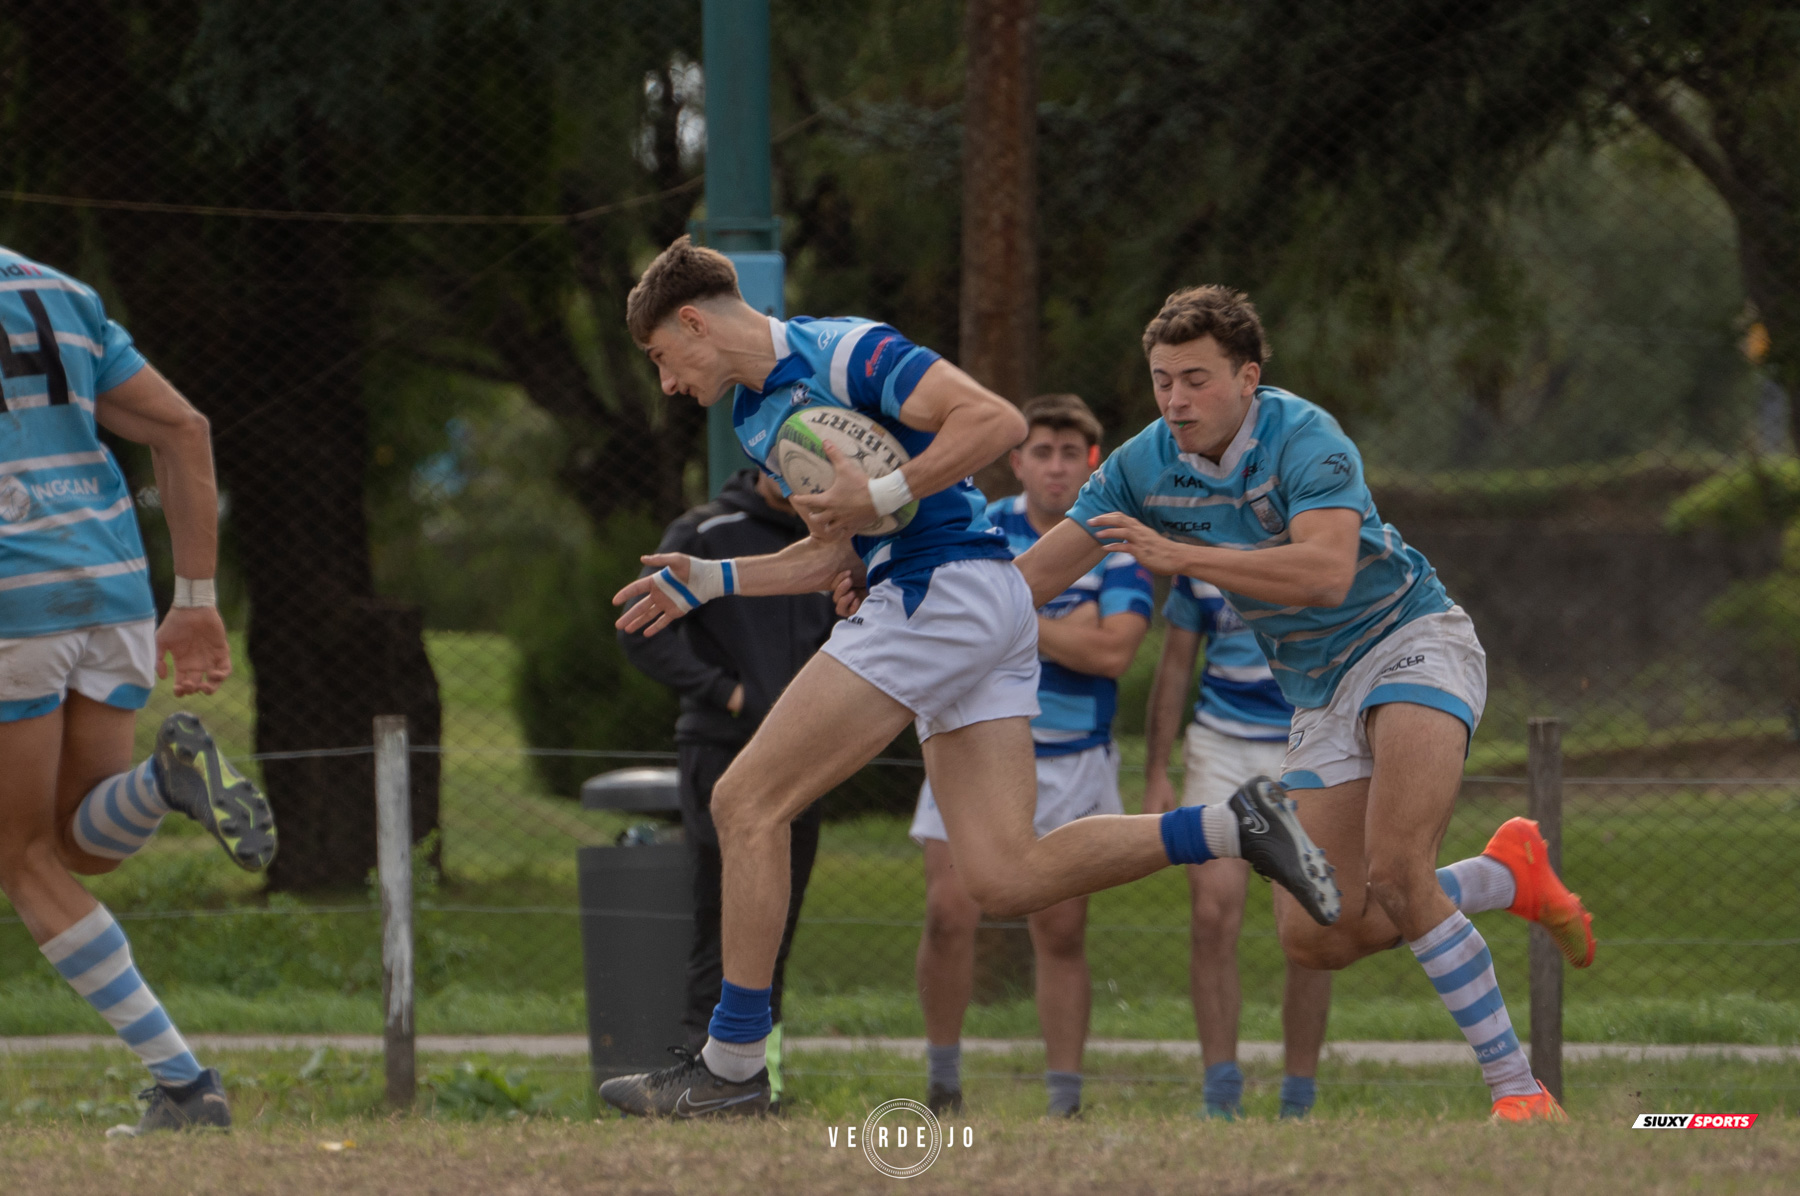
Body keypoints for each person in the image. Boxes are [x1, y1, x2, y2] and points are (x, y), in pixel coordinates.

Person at [603, 237, 1339, 1119]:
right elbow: (833, 547)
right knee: (1003, 875)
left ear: (693, 321)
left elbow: (995, 422)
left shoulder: (843, 349)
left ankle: (730, 1069)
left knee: (745, 801)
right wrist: (712, 579)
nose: (667, 383)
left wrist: (879, 506)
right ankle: (1234, 824)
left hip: (940, 595)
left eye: (660, 358)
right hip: (973, 603)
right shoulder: (760, 418)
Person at [1013, 285, 1598, 1122]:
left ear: (1248, 376)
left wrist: (1182, 555)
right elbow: (1031, 579)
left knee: (1397, 869)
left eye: (1197, 379)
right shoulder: (1143, 464)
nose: (1176, 400)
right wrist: (909, 603)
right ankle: (1505, 876)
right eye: (1162, 379)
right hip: (1317, 692)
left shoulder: (1307, 436)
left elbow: (1325, 573)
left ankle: (1518, 1092)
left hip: (1410, 639)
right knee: (1318, 935)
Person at [0, 245, 276, 1136]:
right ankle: (163, 783)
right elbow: (182, 428)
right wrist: (194, 599)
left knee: (20, 856)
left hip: (13, 600)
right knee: (84, 842)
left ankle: (187, 1086)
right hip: (112, 590)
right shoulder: (57, 290)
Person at [911, 394, 1152, 1120]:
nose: (1055, 466)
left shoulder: (1115, 538)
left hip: (1076, 756)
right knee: (949, 913)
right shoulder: (979, 528)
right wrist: (1053, 621)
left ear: (1092, 462)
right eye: (1040, 452)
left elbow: (1114, 652)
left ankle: (1065, 1102)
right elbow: (939, 627)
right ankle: (943, 1083)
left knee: (1062, 927)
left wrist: (1009, 617)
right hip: (970, 748)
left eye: (1069, 454)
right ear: (1016, 461)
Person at [618, 466, 835, 1111]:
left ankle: (755, 1084)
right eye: (781, 455)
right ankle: (696, 1080)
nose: (793, 473)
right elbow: (640, 632)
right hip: (721, 749)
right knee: (722, 921)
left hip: (804, 755)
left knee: (776, 926)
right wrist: (731, 694)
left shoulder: (837, 540)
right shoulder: (707, 532)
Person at [1144, 576, 1332, 1119]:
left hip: (1305, 743)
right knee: (1211, 917)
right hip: (1219, 743)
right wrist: (1157, 768)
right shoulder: (1201, 546)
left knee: (1311, 921)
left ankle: (1298, 1098)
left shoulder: (1317, 537)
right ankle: (1221, 1094)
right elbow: (1176, 663)